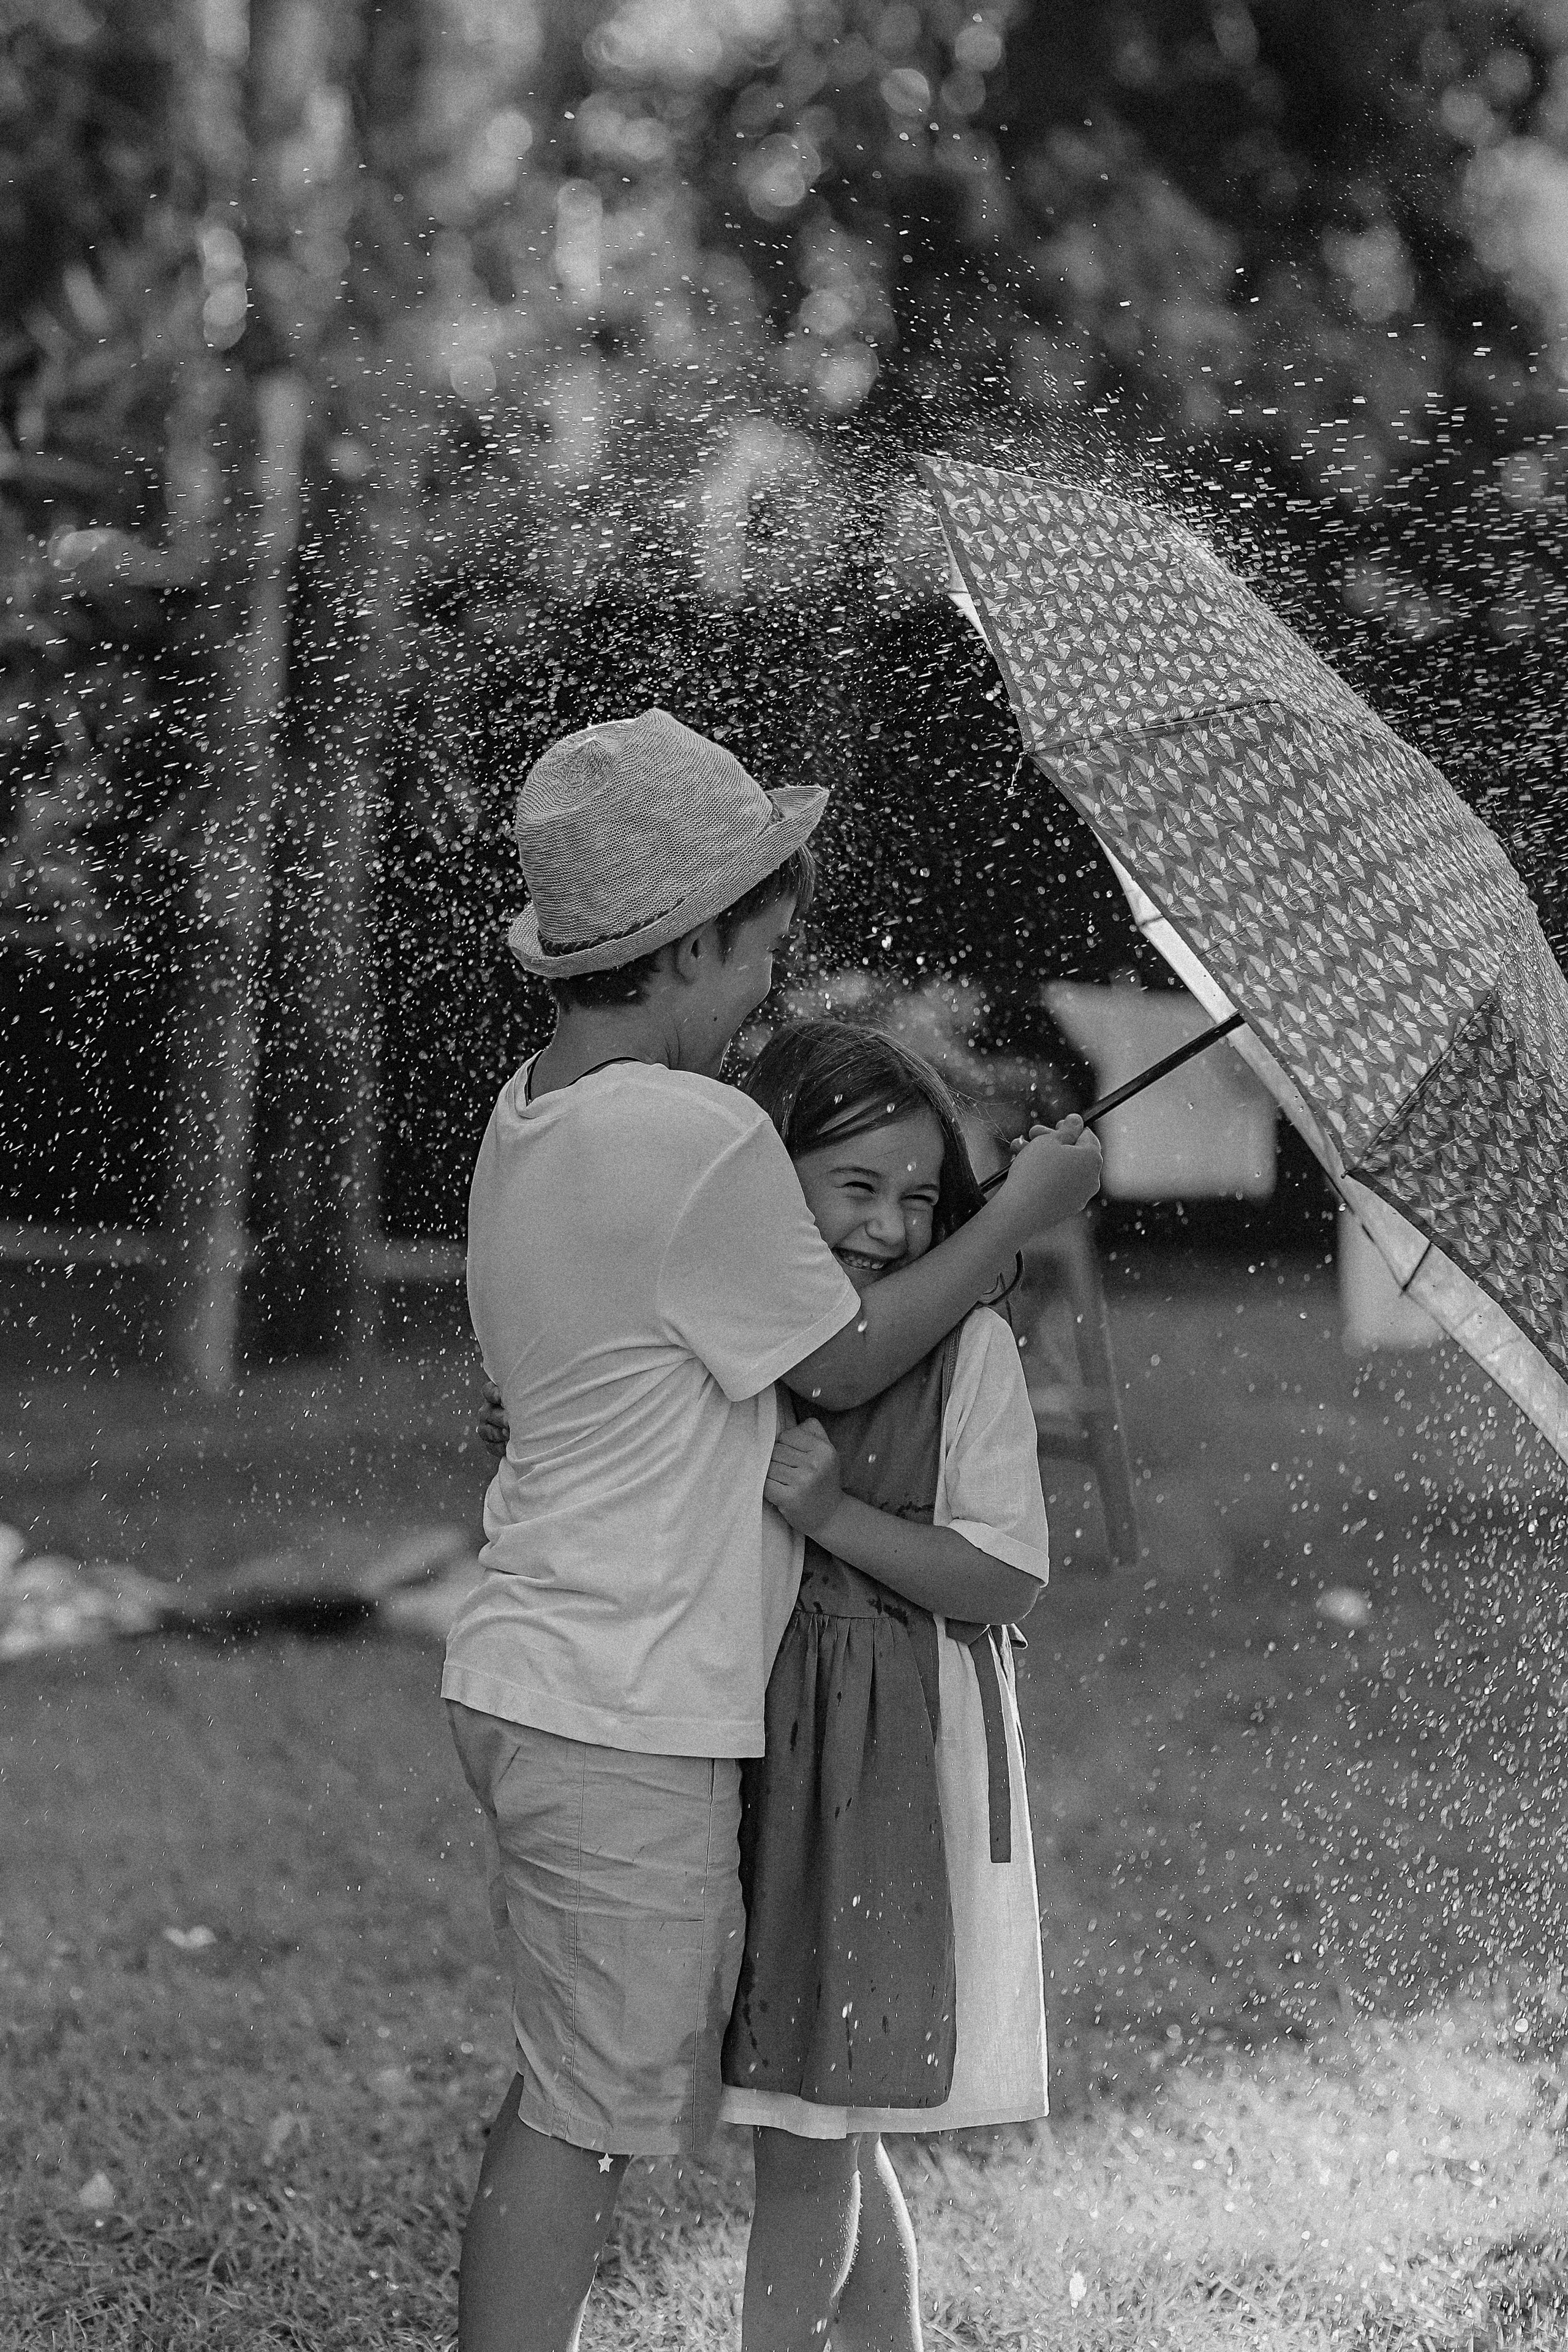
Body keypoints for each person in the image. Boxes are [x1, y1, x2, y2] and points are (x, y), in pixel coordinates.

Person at [446, 706, 1102, 2352]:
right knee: (585, 2111)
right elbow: (855, 1350)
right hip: (618, 1698)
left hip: (550, 1668)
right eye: (761, 953)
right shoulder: (691, 1137)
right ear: (686, 948)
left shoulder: (533, 1113)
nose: (767, 992)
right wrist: (1012, 1218)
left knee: (641, 2086)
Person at [720, 1019, 1056, 2352]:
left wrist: (836, 1517)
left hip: (886, 1759)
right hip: (761, 1742)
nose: (890, 1227)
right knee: (822, 2115)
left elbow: (1005, 1581)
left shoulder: (966, 1352)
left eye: (920, 1199)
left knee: (811, 2125)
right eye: (854, 1188)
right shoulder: (740, 1333)